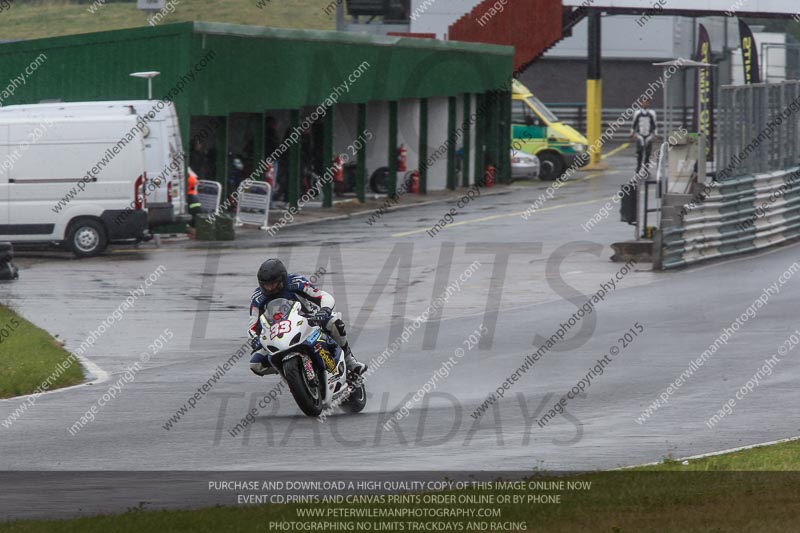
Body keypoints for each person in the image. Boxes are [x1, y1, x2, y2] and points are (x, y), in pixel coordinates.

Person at [248, 258, 367, 377]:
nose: (270, 288)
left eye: (273, 283)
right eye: (266, 285)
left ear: (282, 279)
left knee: (334, 322)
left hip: (307, 322)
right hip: (278, 333)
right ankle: (289, 373)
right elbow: (252, 325)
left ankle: (349, 360)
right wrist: (254, 338)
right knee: (255, 364)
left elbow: (322, 296)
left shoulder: (295, 282)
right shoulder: (258, 297)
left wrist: (324, 310)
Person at [630, 99, 658, 175]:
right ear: (641, 104)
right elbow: (634, 124)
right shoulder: (637, 113)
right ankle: (638, 168)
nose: (645, 104)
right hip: (640, 135)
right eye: (643, 102)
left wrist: (655, 135)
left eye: (646, 102)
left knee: (648, 153)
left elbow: (654, 124)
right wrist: (632, 134)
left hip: (648, 135)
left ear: (648, 104)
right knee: (639, 152)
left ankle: (646, 169)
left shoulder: (652, 113)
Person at [186, 168, 202, 235]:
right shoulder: (192, 177)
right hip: (193, 197)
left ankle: (193, 230)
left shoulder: (190, 178)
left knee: (193, 215)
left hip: (191, 198)